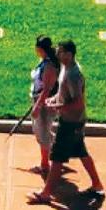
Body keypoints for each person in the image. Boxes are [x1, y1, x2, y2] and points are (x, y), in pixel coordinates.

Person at [30, 40, 105, 207]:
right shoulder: (66, 68)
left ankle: (46, 193)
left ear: (69, 55)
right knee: (81, 153)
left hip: (71, 123)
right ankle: (97, 185)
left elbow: (79, 103)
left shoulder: (73, 75)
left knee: (57, 157)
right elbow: (64, 94)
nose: (57, 53)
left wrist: (59, 107)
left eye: (60, 51)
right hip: (73, 121)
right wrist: (54, 100)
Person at [29, 36, 59, 178]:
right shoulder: (45, 61)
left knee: (43, 134)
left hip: (44, 104)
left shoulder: (49, 66)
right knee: (42, 131)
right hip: (40, 100)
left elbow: (47, 89)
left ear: (40, 49)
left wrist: (37, 106)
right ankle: (57, 149)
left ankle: (45, 165)